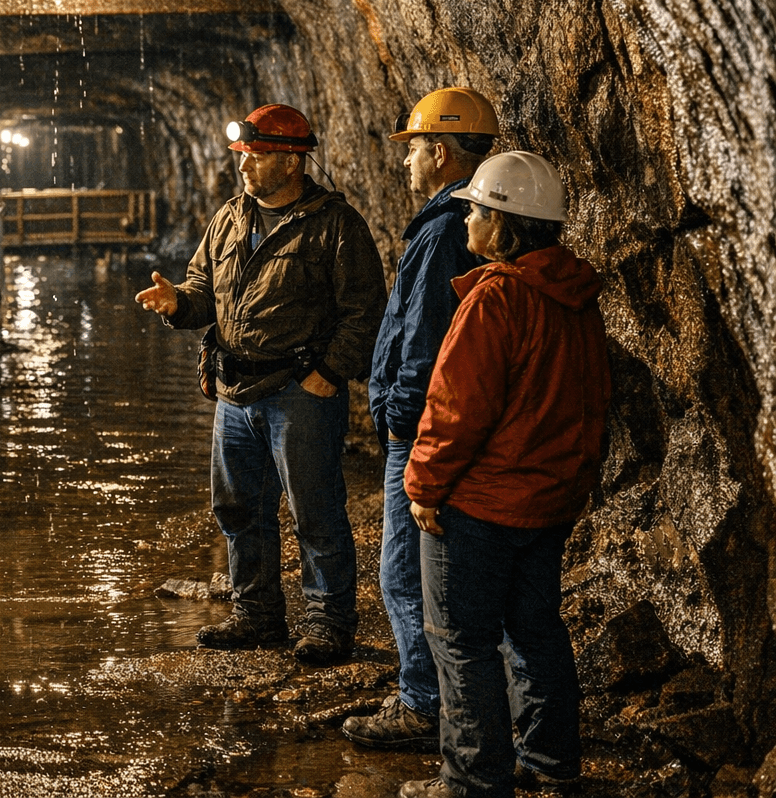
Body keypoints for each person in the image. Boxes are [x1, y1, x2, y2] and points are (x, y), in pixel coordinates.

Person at [135, 104, 386, 664]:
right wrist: (179, 302)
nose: (244, 166)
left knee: (315, 512)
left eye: (257, 156)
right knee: (238, 508)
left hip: (299, 391)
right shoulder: (230, 217)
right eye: (243, 156)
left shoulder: (334, 226)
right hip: (234, 393)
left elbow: (365, 311)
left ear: (293, 161)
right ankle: (257, 613)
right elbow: (205, 285)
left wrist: (329, 372)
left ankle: (327, 623)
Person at [396, 151, 611, 798]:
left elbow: (457, 406)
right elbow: (590, 400)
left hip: (481, 505)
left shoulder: (496, 299)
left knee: (462, 641)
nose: (467, 220)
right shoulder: (576, 298)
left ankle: (473, 779)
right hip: (546, 501)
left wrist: (423, 487)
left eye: (478, 210)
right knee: (537, 628)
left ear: (507, 223)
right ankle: (550, 761)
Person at [343, 88, 497, 751]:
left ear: (439, 152)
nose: (405, 163)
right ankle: (447, 697)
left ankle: (424, 704)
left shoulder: (440, 233)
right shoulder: (473, 220)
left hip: (424, 430)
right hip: (455, 428)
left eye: (411, 150)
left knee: (405, 576)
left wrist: (400, 421)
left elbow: (427, 343)